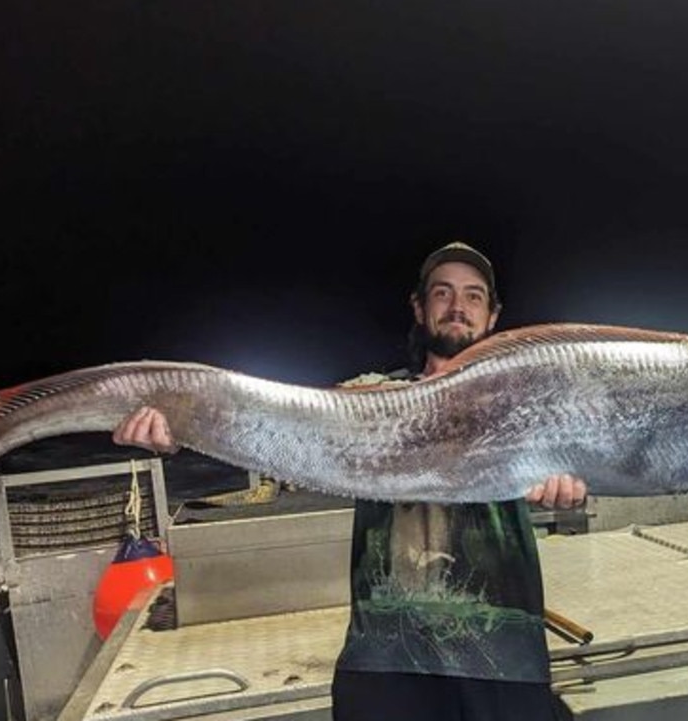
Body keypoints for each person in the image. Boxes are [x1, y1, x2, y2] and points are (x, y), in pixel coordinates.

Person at [113, 241, 586, 721]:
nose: (457, 307)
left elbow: (593, 460)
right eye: (442, 294)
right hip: (384, 658)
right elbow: (271, 432)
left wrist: (571, 484)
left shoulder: (533, 404)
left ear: (492, 316)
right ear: (419, 308)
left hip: (503, 657)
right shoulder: (366, 398)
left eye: (473, 296)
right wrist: (180, 430)